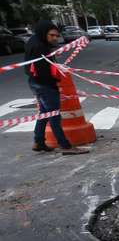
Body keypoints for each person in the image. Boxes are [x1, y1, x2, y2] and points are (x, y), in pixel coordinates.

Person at [24, 20, 88, 155]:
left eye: (56, 35)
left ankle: (38, 142)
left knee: (44, 114)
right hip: (44, 85)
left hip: (35, 83)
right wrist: (55, 82)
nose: (55, 38)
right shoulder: (39, 47)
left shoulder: (34, 41)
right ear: (44, 33)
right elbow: (43, 71)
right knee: (54, 115)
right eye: (52, 35)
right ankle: (65, 146)